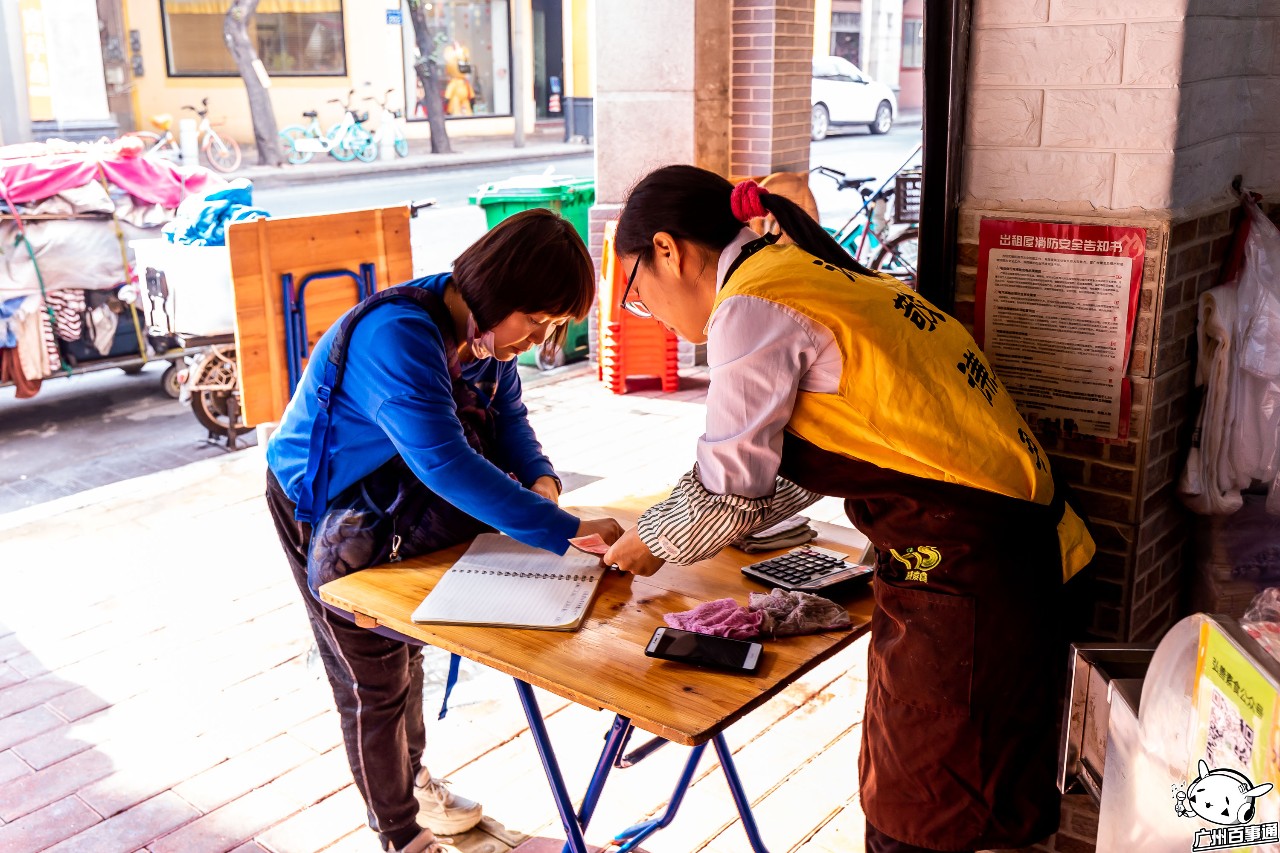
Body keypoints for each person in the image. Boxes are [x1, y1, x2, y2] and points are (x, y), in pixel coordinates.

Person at [602, 166, 1095, 853]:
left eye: (637, 297)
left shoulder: (749, 306)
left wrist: (645, 541)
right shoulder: (805, 273)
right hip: (1014, 556)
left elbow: (727, 491)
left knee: (919, 818)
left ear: (667, 250)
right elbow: (829, 449)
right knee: (958, 804)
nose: (651, 314)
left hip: (970, 577)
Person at [265, 209, 624, 853]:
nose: (538, 339)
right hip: (323, 508)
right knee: (369, 676)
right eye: (536, 321)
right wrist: (562, 529)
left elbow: (510, 421)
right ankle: (401, 833)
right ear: (497, 292)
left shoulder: (482, 338)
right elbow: (448, 466)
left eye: (552, 327)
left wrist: (542, 481)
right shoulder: (398, 337)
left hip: (391, 507)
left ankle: (411, 780)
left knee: (409, 651)